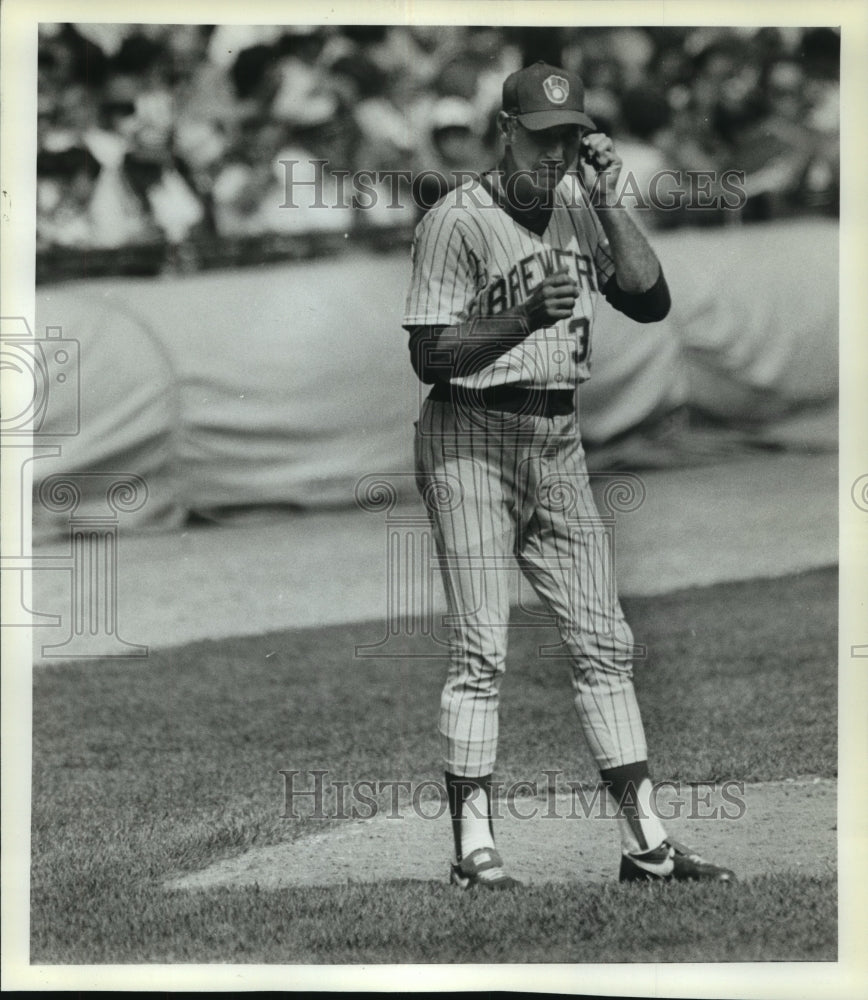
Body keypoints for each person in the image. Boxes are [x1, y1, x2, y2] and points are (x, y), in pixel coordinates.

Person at [403, 61, 736, 889]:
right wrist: (518, 318)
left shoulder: (581, 203)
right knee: (483, 646)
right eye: (544, 137)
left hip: (559, 444)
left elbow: (649, 301)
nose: (557, 153)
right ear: (506, 130)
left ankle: (647, 845)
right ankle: (473, 850)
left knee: (605, 643)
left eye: (571, 137)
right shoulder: (456, 220)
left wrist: (614, 197)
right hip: (469, 438)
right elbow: (426, 355)